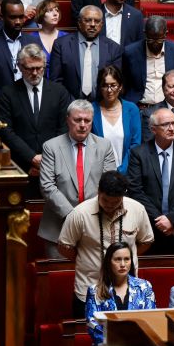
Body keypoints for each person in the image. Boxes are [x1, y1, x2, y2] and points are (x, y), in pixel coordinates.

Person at [58, 170, 153, 318]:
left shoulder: (137, 210)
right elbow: (65, 247)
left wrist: (123, 258)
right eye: (105, 200)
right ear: (98, 192)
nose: (109, 205)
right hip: (88, 291)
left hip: (128, 294)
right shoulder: (80, 214)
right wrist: (86, 258)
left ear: (123, 196)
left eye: (115, 202)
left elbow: (146, 241)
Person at [39, 100, 118, 259]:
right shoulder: (51, 147)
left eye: (87, 120)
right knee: (60, 280)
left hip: (96, 225)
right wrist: (73, 216)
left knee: (94, 280)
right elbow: (47, 186)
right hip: (58, 229)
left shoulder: (104, 146)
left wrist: (88, 216)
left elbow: (109, 185)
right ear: (68, 120)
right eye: (77, 120)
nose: (82, 125)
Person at [0, 43, 72, 195]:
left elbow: (64, 128)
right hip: (20, 165)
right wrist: (31, 158)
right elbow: (6, 131)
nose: (35, 73)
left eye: (39, 68)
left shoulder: (59, 92)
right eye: (30, 69)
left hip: (55, 166)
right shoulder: (8, 93)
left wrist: (47, 159)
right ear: (19, 66)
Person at [126, 107, 174, 255]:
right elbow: (136, 190)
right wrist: (160, 221)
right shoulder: (139, 154)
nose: (171, 128)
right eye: (166, 124)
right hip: (148, 226)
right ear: (153, 129)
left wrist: (171, 219)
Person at [85, 242, 156, 346]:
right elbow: (93, 326)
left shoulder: (144, 287)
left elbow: (150, 320)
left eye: (127, 259)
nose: (123, 264)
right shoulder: (94, 291)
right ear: (109, 262)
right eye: (117, 259)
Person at [0, 0, 42, 109]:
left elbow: (39, 74)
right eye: (13, 17)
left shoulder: (33, 42)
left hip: (29, 106)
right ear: (2, 17)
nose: (18, 22)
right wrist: (8, 102)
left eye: (21, 17)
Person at [47, 5, 123, 100]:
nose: (92, 24)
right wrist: (71, 103)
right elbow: (55, 81)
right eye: (87, 20)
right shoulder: (61, 45)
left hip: (102, 106)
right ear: (79, 23)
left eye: (97, 21)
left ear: (102, 24)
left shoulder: (113, 48)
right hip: (70, 105)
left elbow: (116, 82)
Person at [91, 65, 141, 174]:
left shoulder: (132, 109)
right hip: (98, 174)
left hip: (127, 173)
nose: (109, 90)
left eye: (113, 85)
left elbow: (135, 144)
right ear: (100, 87)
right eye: (105, 85)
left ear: (120, 86)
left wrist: (121, 171)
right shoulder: (91, 110)